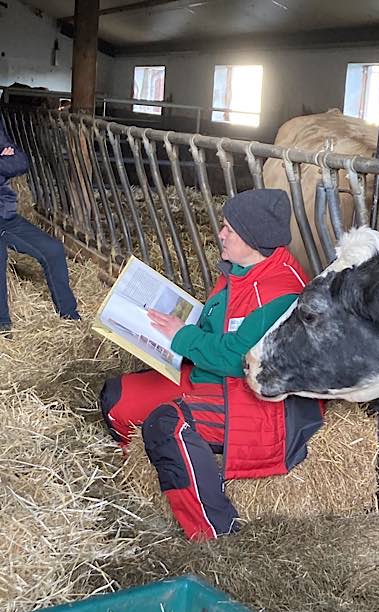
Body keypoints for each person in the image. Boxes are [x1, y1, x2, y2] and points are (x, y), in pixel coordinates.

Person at [100, 188, 324, 542]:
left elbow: (241, 360)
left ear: (253, 238)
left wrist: (182, 337)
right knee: (116, 397)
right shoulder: (241, 268)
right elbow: (219, 324)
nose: (220, 234)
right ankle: (139, 477)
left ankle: (217, 534)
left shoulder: (280, 294)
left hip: (256, 400)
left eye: (229, 229)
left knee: (165, 424)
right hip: (208, 374)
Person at [0, 120, 79, 334]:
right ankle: (3, 326)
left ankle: (70, 317)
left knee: (53, 249)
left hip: (4, 215)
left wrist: (7, 161)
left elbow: (20, 162)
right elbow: (8, 163)